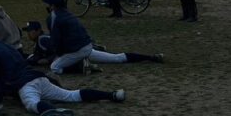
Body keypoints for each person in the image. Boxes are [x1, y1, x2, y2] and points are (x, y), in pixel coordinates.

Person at [0, 27, 125, 116]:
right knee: (72, 95)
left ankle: (53, 111)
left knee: (32, 104)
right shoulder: (7, 46)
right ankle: (112, 95)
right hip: (39, 77)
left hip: (25, 83)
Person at [22, 20, 163, 72]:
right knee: (117, 58)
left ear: (36, 31)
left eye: (29, 31)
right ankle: (151, 57)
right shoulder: (42, 39)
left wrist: (46, 60)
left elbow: (57, 52)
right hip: (83, 50)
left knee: (55, 67)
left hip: (77, 53)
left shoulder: (42, 39)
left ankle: (84, 66)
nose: (28, 34)